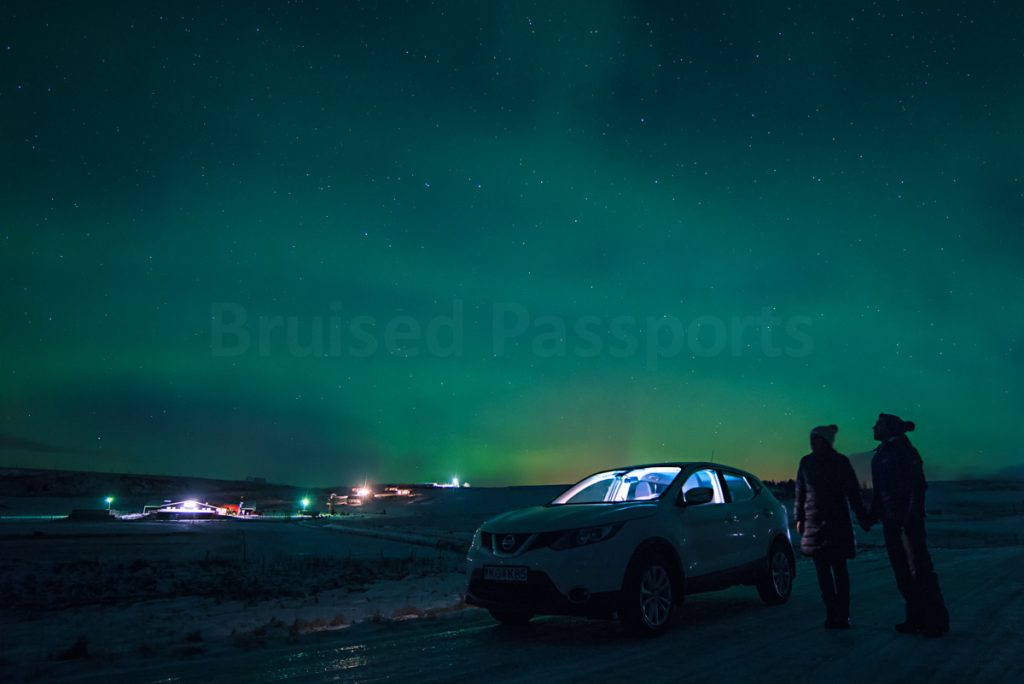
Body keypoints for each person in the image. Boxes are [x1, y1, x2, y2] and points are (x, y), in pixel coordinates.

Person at [868, 413, 950, 637]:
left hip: (907, 524)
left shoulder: (905, 452)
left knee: (920, 571)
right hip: (892, 523)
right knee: (903, 572)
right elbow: (880, 493)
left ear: (889, 428)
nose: (874, 427)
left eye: (878, 424)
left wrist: (909, 517)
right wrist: (871, 516)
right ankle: (915, 618)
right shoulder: (880, 456)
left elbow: (917, 486)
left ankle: (935, 621)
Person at [794, 424, 871, 629]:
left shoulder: (840, 462)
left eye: (817, 439)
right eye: (811, 439)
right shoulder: (806, 462)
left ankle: (843, 614)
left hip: (837, 523)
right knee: (822, 571)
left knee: (839, 569)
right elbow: (800, 491)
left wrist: (862, 516)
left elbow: (853, 491)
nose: (813, 443)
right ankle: (831, 613)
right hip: (814, 524)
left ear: (826, 441)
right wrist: (799, 517)